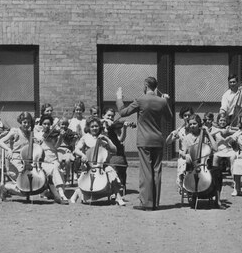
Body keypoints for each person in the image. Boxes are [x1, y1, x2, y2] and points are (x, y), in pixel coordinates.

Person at [116, 77, 172, 211]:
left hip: (144, 140)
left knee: (146, 171)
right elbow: (169, 118)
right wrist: (166, 101)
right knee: (157, 171)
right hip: (158, 139)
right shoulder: (162, 101)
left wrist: (119, 98)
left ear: (146, 85)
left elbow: (123, 112)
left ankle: (146, 203)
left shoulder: (140, 100)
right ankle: (155, 203)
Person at [71, 116, 125, 205]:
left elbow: (114, 150)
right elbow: (76, 150)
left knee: (111, 172)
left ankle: (118, 197)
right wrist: (83, 155)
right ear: (88, 127)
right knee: (85, 180)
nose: (94, 128)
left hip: (101, 166)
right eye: (92, 126)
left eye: (96, 126)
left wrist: (107, 139)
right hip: (88, 165)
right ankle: (77, 192)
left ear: (99, 127)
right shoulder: (85, 138)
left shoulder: (103, 138)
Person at [101, 107, 131, 193]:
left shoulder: (115, 127)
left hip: (114, 152)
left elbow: (121, 139)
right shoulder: (99, 125)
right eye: (108, 115)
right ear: (103, 115)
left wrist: (124, 128)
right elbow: (90, 123)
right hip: (102, 152)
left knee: (119, 162)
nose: (110, 118)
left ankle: (120, 185)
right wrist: (103, 121)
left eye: (112, 116)